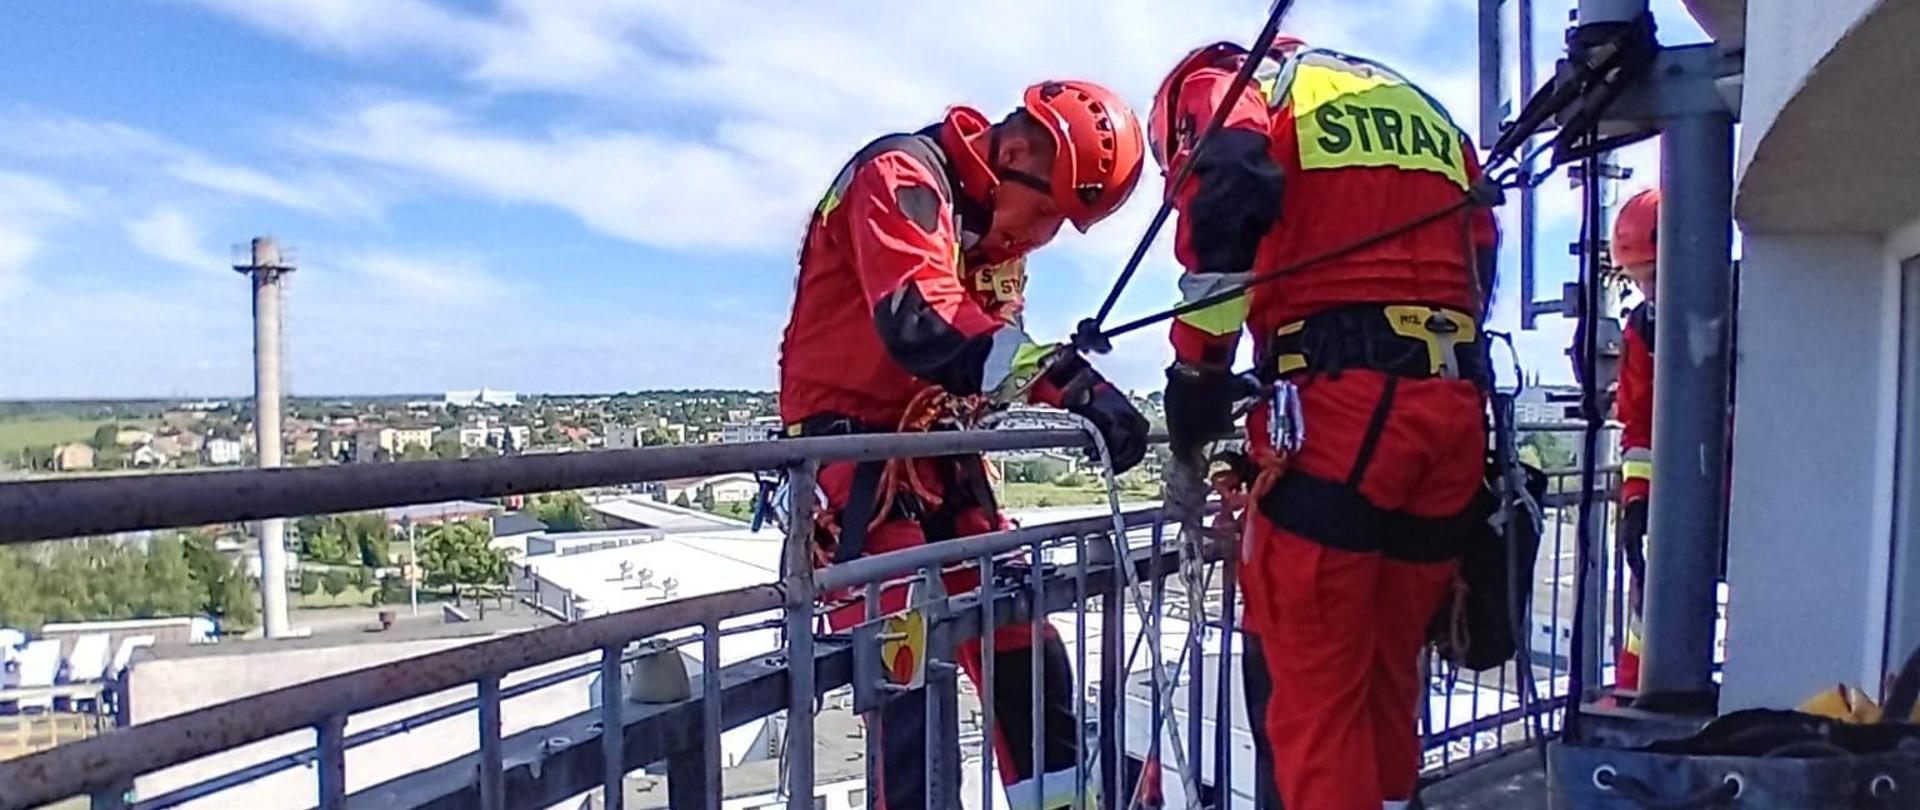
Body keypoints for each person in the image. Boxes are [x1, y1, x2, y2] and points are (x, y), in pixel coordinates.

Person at [778, 79, 1150, 810]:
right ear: (1011, 152)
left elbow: (989, 350)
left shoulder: (992, 234)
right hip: (856, 465)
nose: (1043, 235)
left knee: (1025, 648)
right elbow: (924, 320)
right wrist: (1071, 383)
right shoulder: (900, 177)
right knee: (905, 682)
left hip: (940, 454)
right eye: (1045, 210)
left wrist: (1066, 382)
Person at [1151, 39, 1499, 810]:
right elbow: (1480, 251)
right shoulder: (1421, 107)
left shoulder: (1234, 86)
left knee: (1316, 701)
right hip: (1449, 415)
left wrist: (1198, 378)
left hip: (1342, 417)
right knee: (1387, 676)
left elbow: (1228, 193)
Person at [1611, 188, 1658, 692]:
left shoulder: (1744, 304)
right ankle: (1633, 693)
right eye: (1637, 278)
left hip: (1746, 493)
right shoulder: (1644, 329)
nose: (1646, 291)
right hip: (1677, 500)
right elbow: (1638, 428)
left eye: (1651, 275)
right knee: (1646, 613)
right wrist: (1637, 502)